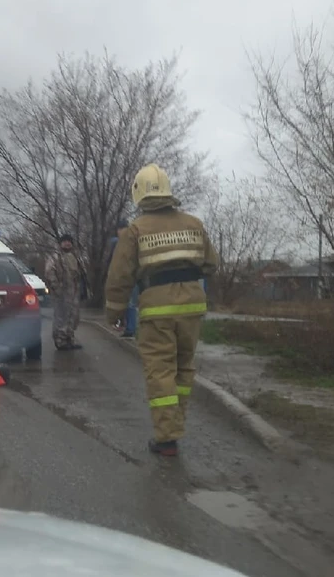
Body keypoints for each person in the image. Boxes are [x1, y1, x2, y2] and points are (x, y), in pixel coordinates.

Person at [104, 163, 218, 456]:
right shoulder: (194, 224)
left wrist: (113, 314)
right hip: (192, 306)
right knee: (183, 367)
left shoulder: (135, 231)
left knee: (160, 371)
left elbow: (120, 277)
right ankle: (176, 420)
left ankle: (167, 437)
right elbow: (211, 264)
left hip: (157, 310)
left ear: (139, 194)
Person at [45, 233, 83, 351]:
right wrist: (57, 288)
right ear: (60, 243)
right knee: (61, 317)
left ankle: (69, 339)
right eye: (65, 241)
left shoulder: (75, 256)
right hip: (61, 292)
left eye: (69, 241)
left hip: (74, 292)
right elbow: (49, 272)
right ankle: (60, 341)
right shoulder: (55, 257)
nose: (67, 243)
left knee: (73, 316)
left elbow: (80, 273)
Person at [107, 219, 138, 338]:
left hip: (125, 277)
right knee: (128, 304)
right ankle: (127, 327)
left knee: (127, 303)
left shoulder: (116, 242)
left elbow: (112, 261)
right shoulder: (131, 241)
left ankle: (129, 328)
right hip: (129, 276)